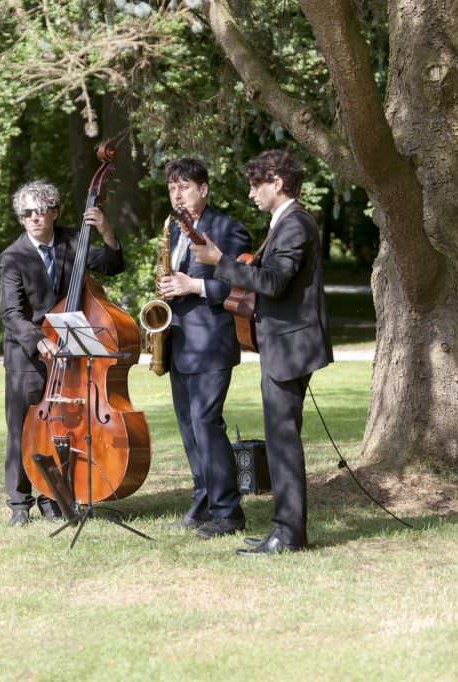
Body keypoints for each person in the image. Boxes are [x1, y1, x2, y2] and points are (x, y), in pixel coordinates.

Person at [191, 149, 332, 555]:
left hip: (291, 347)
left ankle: (288, 535)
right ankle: (284, 531)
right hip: (283, 344)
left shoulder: (294, 224)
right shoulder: (284, 223)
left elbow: (272, 282)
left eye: (256, 184)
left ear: (278, 184)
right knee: (279, 439)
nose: (251, 193)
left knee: (283, 442)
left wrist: (220, 261)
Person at [0, 180, 123, 527]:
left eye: (40, 210)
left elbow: (113, 265)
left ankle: (50, 495)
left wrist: (108, 233)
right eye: (27, 214)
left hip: (68, 350)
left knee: (58, 427)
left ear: (54, 212)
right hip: (28, 354)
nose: (34, 218)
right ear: (21, 220)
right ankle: (19, 502)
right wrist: (38, 341)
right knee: (23, 427)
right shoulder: (12, 257)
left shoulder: (72, 240)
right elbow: (11, 314)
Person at [160, 158, 253, 539]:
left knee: (206, 424)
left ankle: (228, 511)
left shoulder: (227, 228)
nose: (177, 194)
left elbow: (240, 284)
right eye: (172, 188)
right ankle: (203, 503)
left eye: (184, 186)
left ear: (204, 189)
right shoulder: (172, 230)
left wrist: (193, 287)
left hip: (212, 342)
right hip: (180, 340)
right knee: (188, 427)